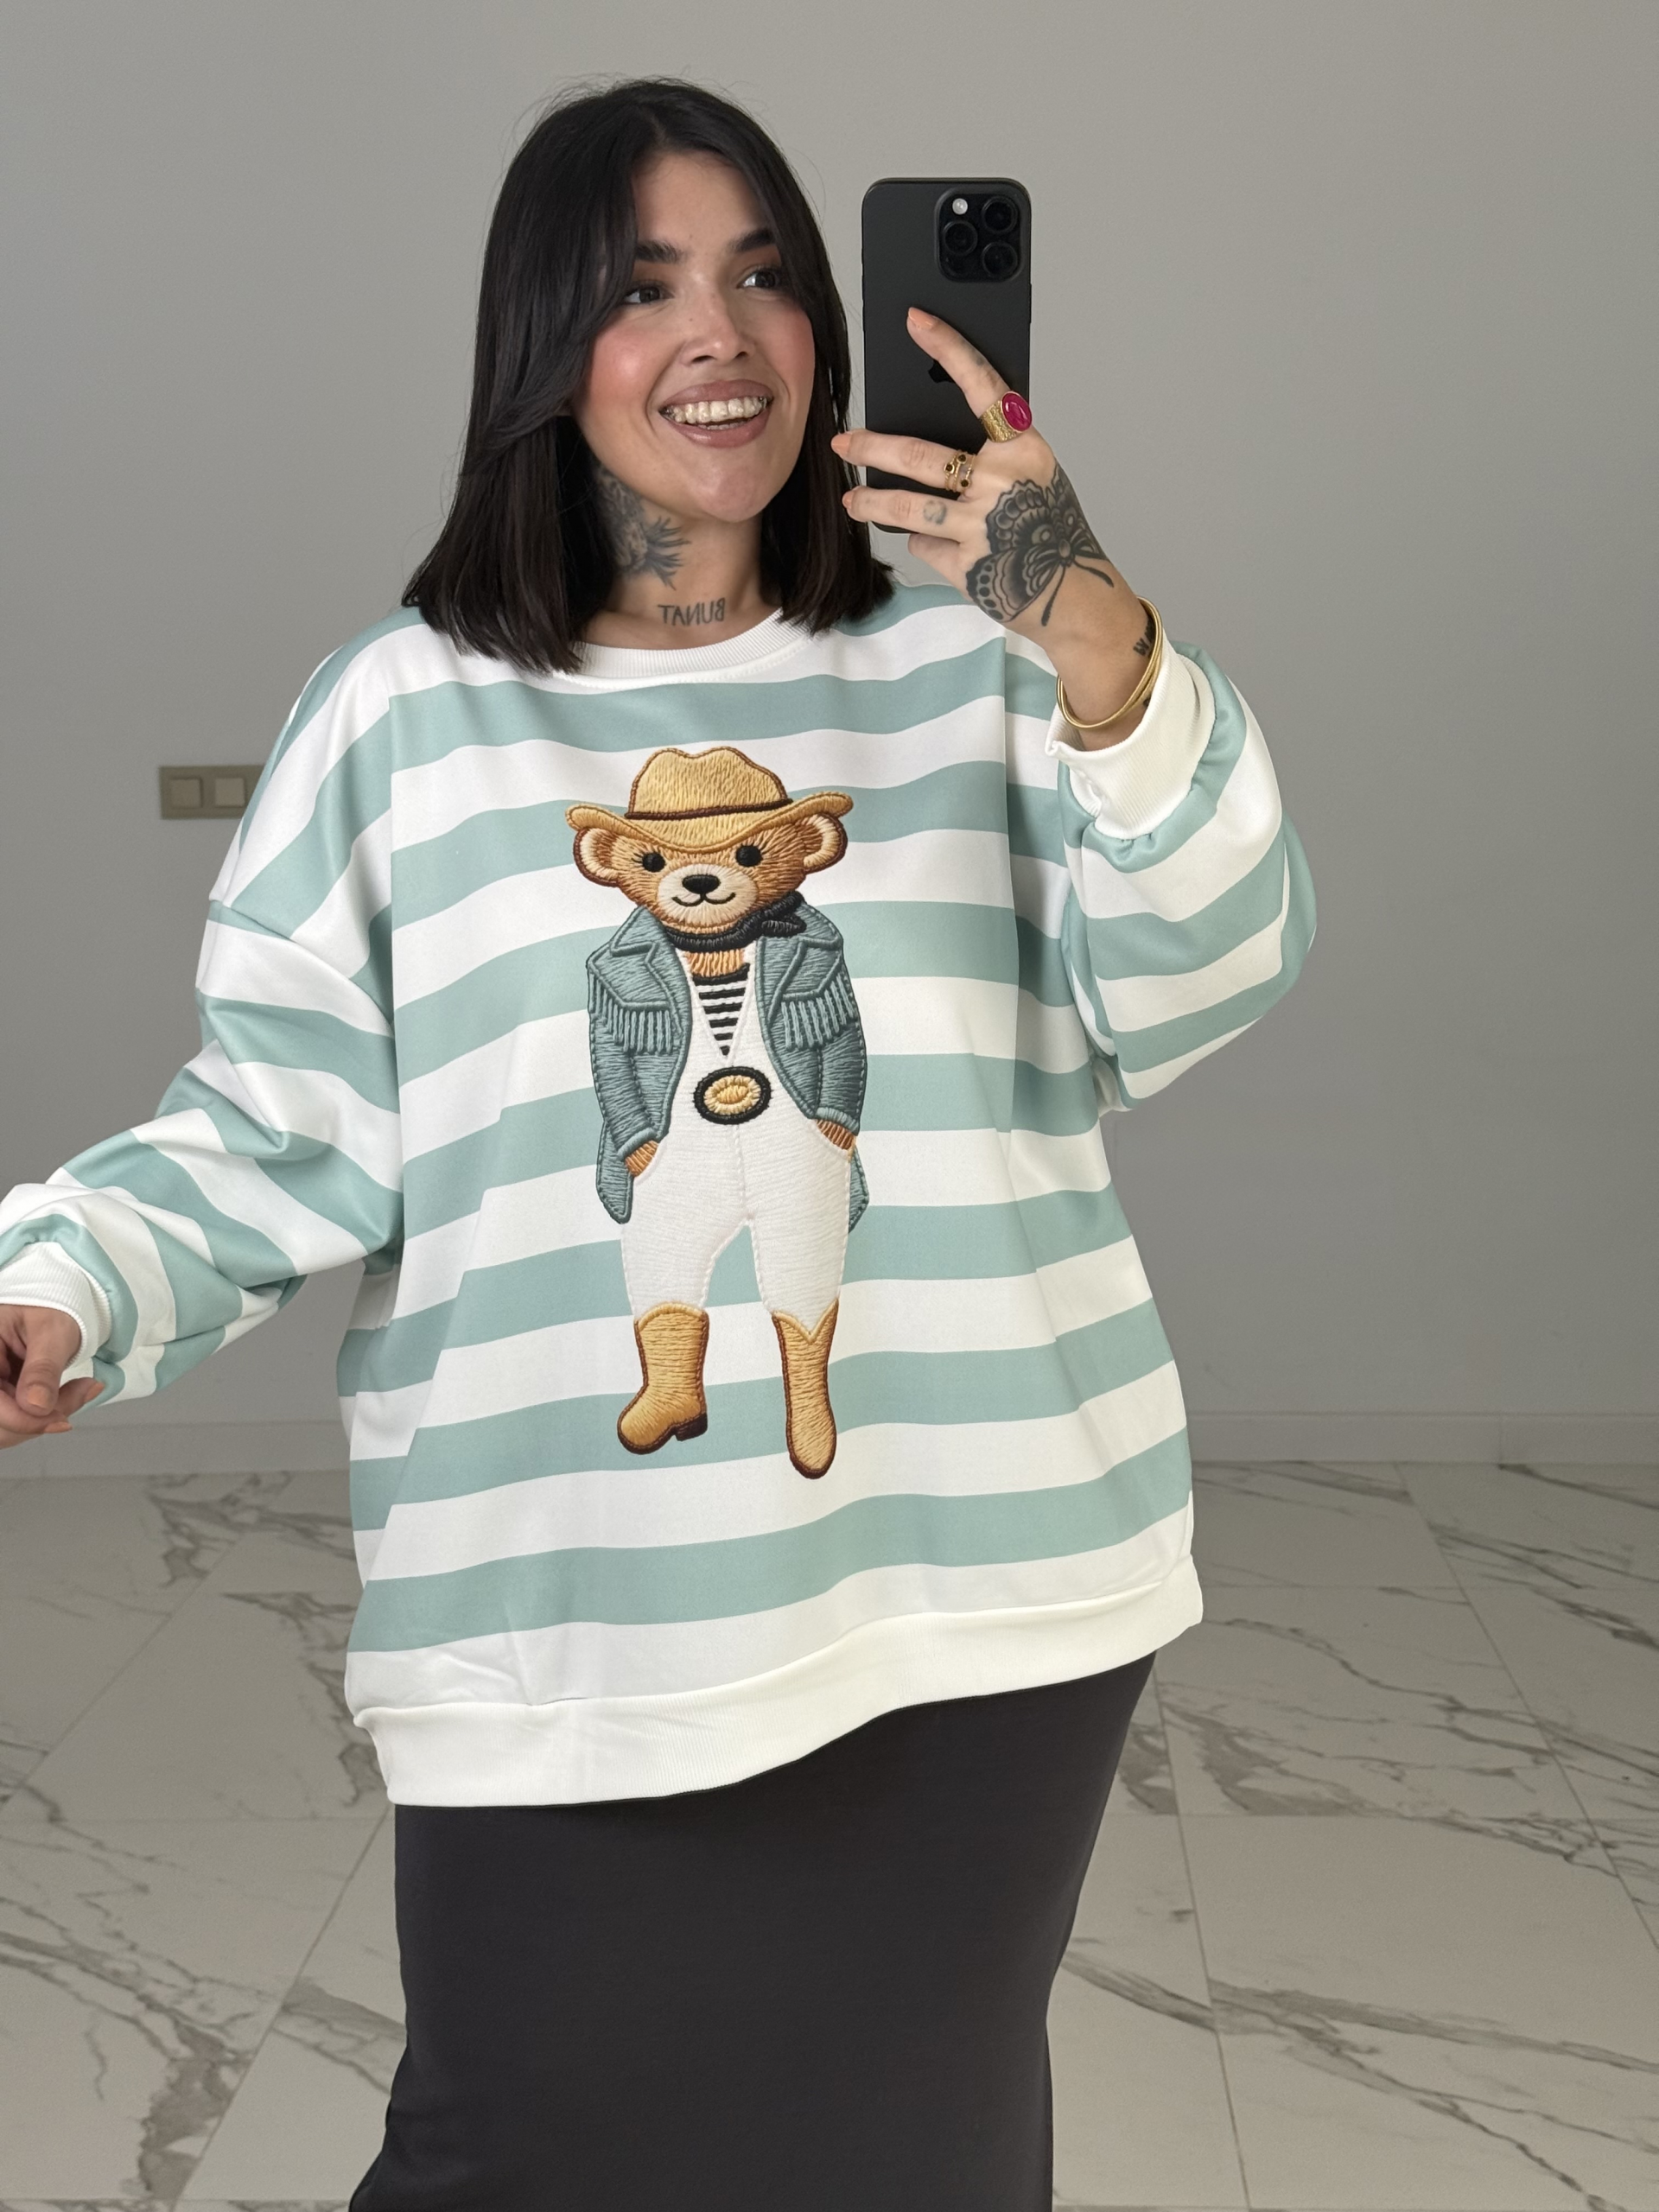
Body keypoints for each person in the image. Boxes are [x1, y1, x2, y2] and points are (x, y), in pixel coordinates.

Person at [0, 78, 1313, 2212]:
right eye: (643, 287)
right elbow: (274, 1129)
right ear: (544, 347)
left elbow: (1212, 965)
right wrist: (63, 1281)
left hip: (984, 1588)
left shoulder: (991, 670)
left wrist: (1090, 619)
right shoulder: (401, 714)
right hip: (564, 1608)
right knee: (522, 2148)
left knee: (920, 2153)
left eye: (766, 274)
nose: (723, 332)